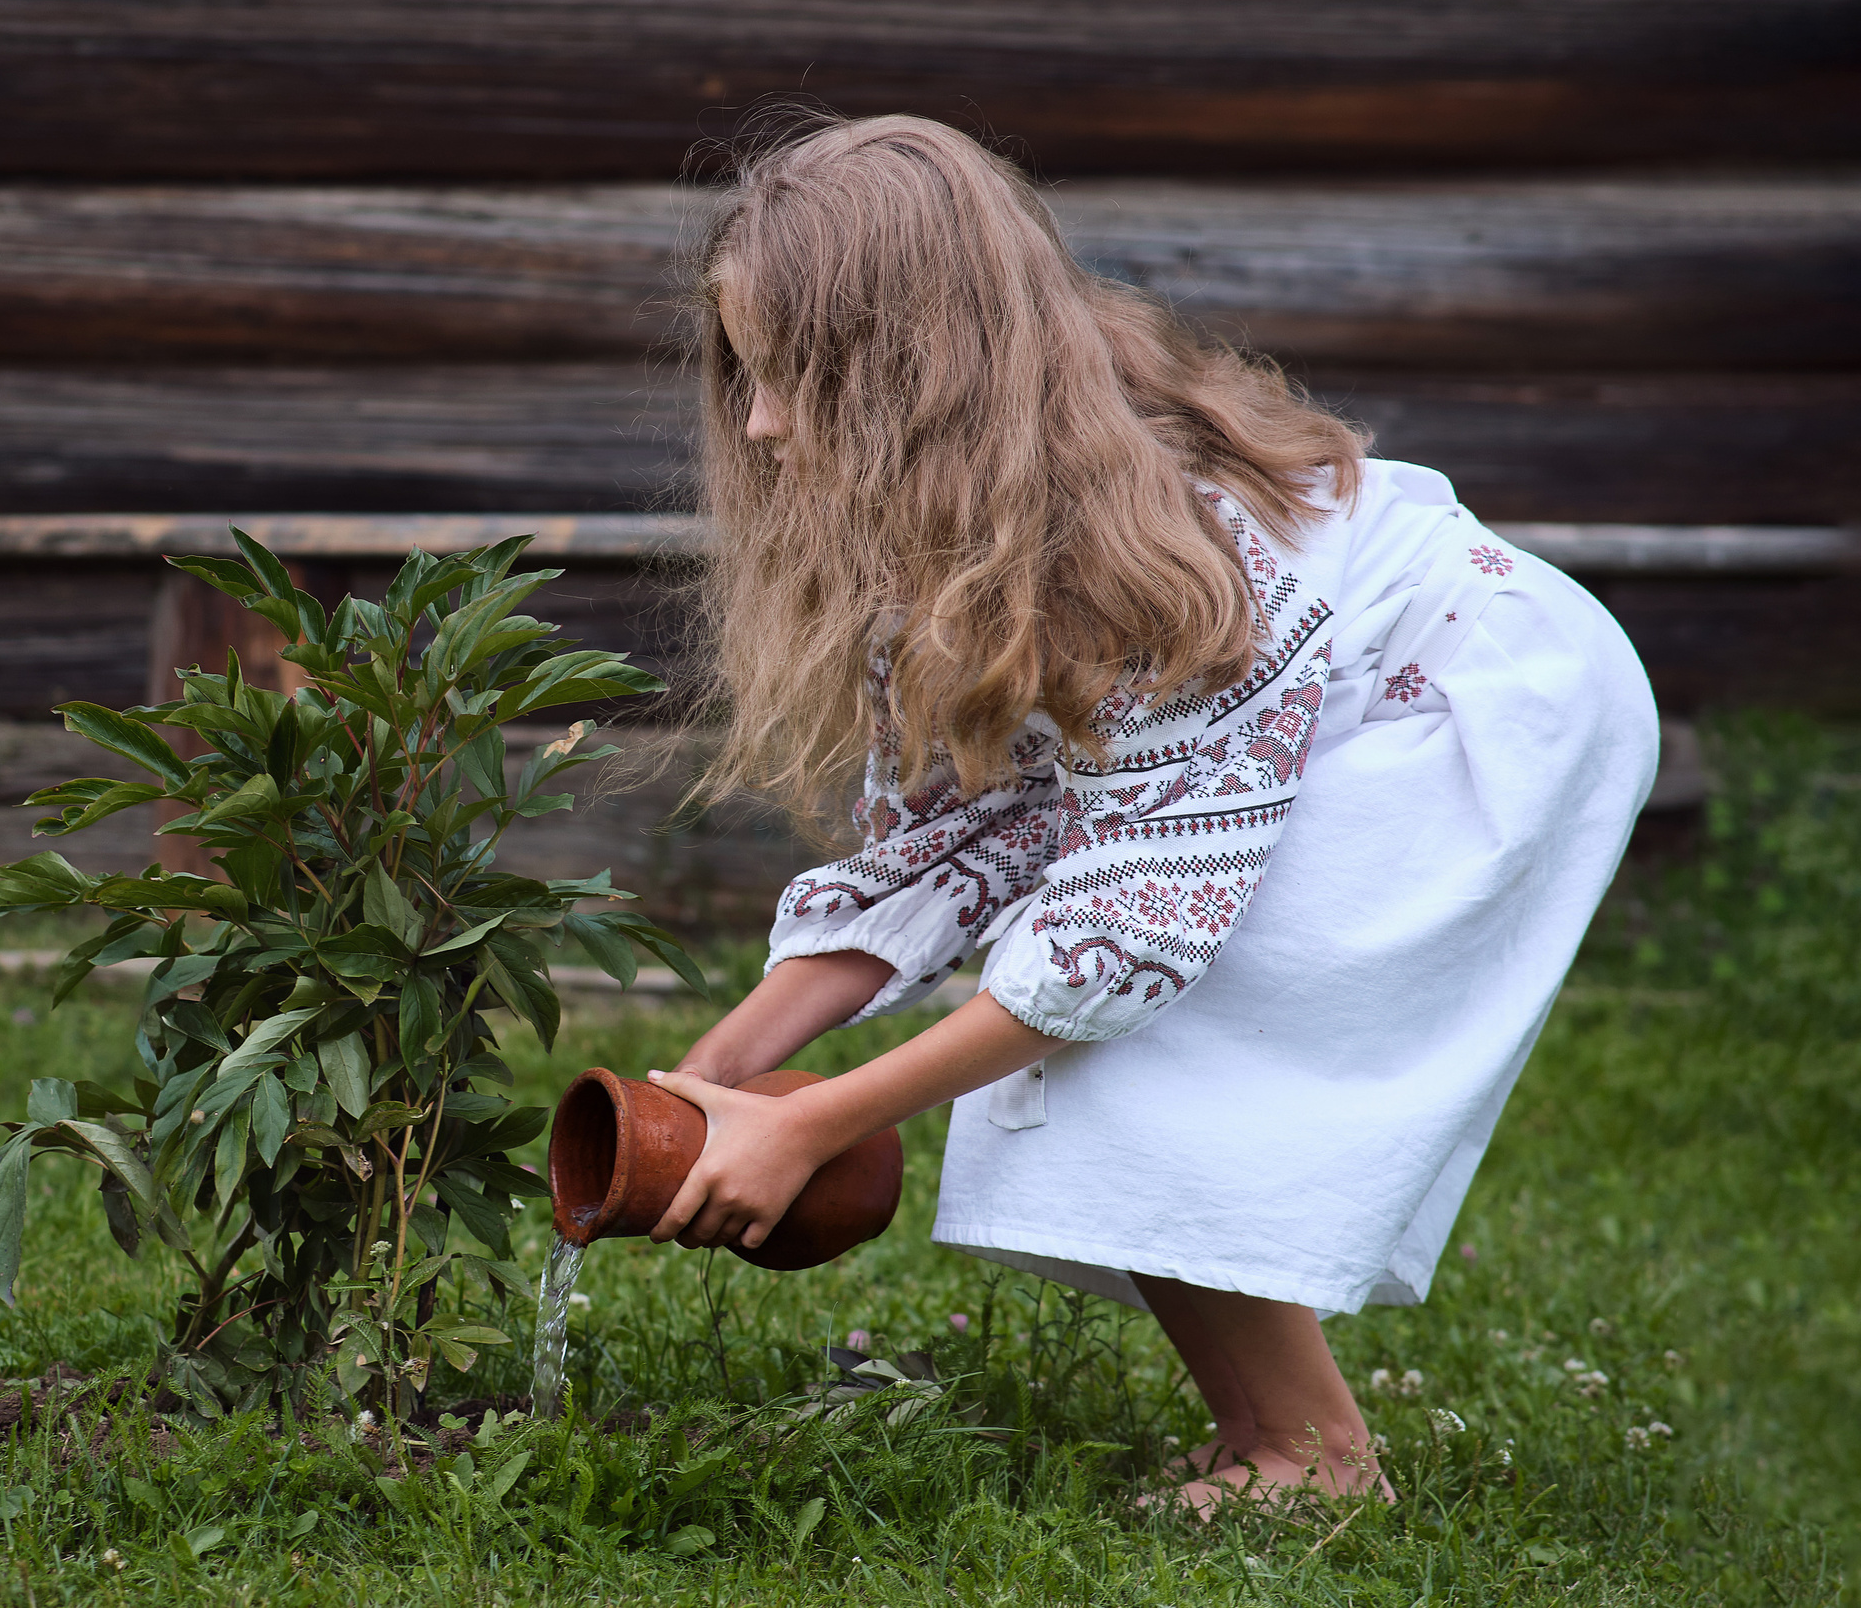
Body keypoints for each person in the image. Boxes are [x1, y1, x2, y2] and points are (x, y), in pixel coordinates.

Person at [644, 113, 1660, 1513]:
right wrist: (718, 1077)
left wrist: (814, 1128)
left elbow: (1130, 935)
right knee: (1091, 1001)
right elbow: (977, 829)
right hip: (1372, 696)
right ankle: (1272, 1441)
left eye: (792, 379)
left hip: (1469, 709)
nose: (756, 425)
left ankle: (1311, 1460)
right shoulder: (973, 504)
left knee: (1125, 1023)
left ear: (910, 373)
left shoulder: (1124, 553)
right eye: (743, 376)